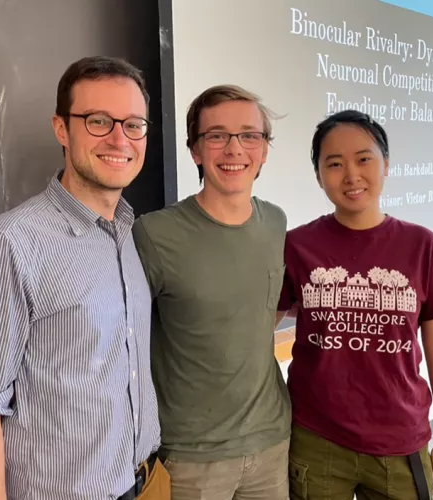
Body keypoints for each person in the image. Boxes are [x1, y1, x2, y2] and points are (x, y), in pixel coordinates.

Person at [0, 56, 170, 500]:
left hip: (147, 481)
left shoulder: (129, 232)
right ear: (62, 129)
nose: (120, 139)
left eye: (134, 124)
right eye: (99, 121)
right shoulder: (9, 244)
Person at [276, 110, 433, 500]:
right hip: (316, 438)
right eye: (334, 164)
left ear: (386, 165)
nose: (351, 176)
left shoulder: (422, 246)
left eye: (364, 159)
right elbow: (259, 331)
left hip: (399, 438)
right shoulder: (297, 245)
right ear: (318, 175)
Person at [132, 84, 291, 499]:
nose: (234, 149)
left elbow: (257, 313)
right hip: (189, 457)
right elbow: (122, 338)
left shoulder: (276, 223)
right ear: (195, 151)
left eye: (249, 135)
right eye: (217, 135)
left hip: (271, 441)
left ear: (265, 149)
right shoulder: (155, 234)